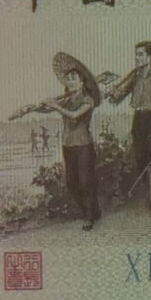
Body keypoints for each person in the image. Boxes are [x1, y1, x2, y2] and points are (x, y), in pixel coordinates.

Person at [106, 41, 151, 217]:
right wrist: (112, 92)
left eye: (140, 54)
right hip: (138, 120)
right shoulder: (135, 77)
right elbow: (118, 97)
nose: (137, 58)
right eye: (136, 54)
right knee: (141, 159)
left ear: (150, 56)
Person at [51, 68, 101, 229]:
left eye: (74, 78)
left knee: (85, 182)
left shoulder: (88, 100)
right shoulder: (66, 100)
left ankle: (89, 215)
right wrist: (32, 108)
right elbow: (47, 108)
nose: (70, 82)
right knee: (71, 183)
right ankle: (90, 210)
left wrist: (54, 105)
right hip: (68, 145)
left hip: (84, 145)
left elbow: (74, 115)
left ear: (82, 82)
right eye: (68, 79)